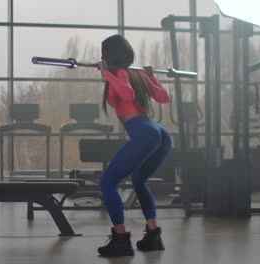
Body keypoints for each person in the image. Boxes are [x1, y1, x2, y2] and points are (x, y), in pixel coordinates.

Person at [96, 34, 172, 257]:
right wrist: (151, 77)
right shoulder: (136, 75)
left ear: (108, 56)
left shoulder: (119, 74)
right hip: (159, 133)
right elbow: (163, 97)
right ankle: (153, 235)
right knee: (139, 181)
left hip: (145, 132)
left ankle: (120, 240)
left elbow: (127, 95)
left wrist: (107, 73)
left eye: (103, 55)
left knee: (107, 183)